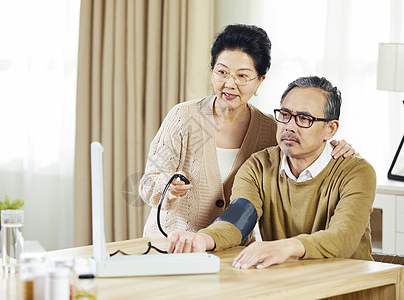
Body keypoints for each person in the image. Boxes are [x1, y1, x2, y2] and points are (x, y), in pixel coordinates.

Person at [139, 24, 356, 238]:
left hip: (234, 252)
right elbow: (147, 183)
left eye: (242, 76)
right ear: (212, 71)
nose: (229, 84)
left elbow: (303, 158)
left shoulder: (272, 130)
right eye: (221, 72)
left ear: (260, 80)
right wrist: (167, 185)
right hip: (171, 243)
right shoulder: (183, 118)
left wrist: (332, 149)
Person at [166, 76, 376, 270]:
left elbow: (344, 237)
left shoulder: (356, 172)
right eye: (285, 115)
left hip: (350, 284)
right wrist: (201, 240)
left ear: (330, 129)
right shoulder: (258, 166)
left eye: (304, 119)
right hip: (287, 281)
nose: (289, 127)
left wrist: (287, 247)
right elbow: (237, 220)